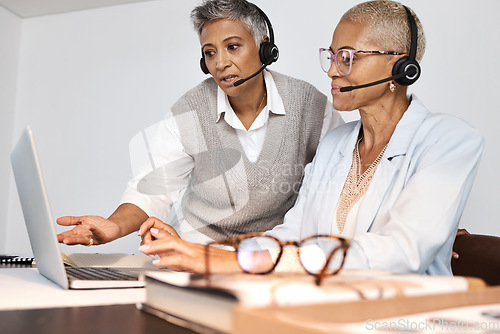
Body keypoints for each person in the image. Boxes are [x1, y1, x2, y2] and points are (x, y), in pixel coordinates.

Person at [138, 0, 483, 276]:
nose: (332, 70)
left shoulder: (450, 140)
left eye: (347, 58)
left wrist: (235, 262)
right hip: (326, 309)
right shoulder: (335, 144)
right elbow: (292, 236)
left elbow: (401, 252)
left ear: (401, 66)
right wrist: (203, 253)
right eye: (331, 57)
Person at [56, 0, 343, 247]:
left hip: (267, 256)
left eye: (232, 47)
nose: (220, 63)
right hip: (193, 251)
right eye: (210, 52)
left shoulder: (309, 105)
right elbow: (154, 189)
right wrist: (114, 226)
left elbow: (343, 175)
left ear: (265, 49)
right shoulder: (191, 111)